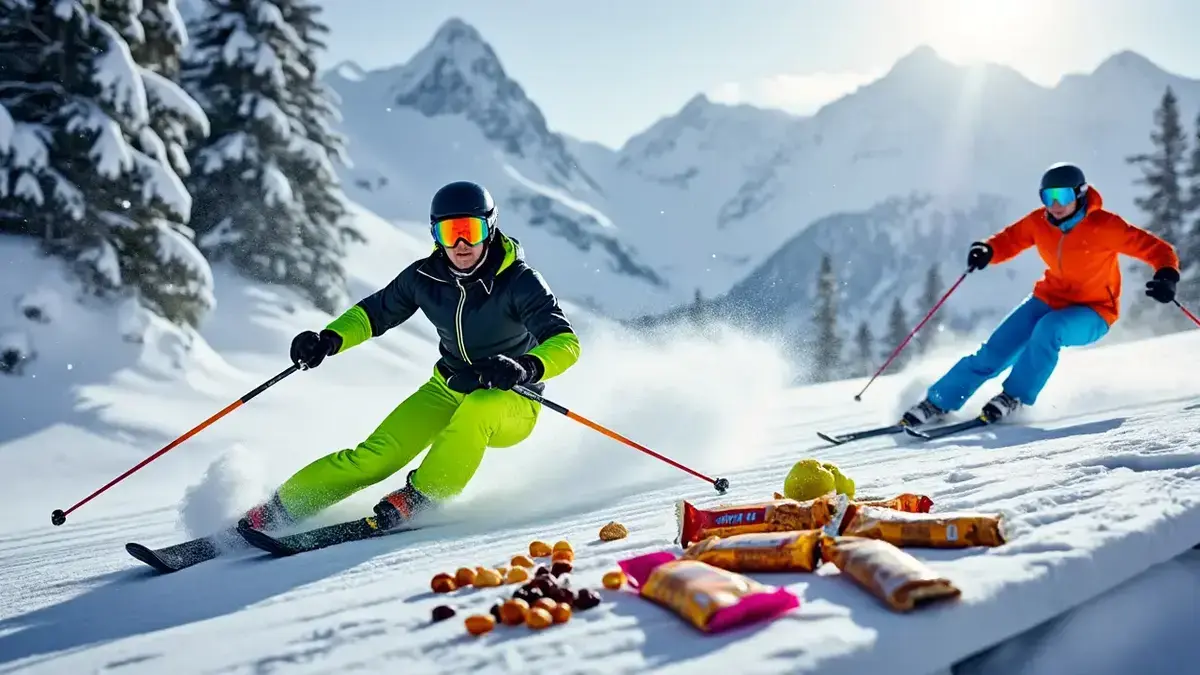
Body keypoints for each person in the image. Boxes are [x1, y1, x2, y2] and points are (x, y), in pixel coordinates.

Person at [238, 180, 582, 532]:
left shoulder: (520, 281)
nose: (461, 244)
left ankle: (421, 496)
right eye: (450, 233)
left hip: (511, 398)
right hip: (446, 388)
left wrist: (524, 367)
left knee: (478, 408)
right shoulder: (424, 277)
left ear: (489, 229)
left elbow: (566, 343)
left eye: (470, 230)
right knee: (376, 455)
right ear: (436, 234)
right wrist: (328, 339)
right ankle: (283, 507)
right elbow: (373, 313)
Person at [900, 162, 1180, 427]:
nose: (1055, 205)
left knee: (1049, 330)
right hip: (1048, 299)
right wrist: (988, 250)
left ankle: (1015, 397)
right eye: (1048, 197)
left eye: (1062, 196)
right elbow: (1010, 239)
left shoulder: (1105, 226)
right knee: (993, 352)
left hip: (1094, 311)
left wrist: (1166, 275)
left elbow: (1157, 249)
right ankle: (937, 403)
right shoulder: (1039, 222)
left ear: (1080, 194)